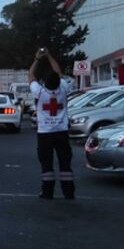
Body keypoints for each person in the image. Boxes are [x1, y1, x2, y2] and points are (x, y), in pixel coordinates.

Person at [28, 48, 75, 199]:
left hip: (45, 133)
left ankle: (47, 192)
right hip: (61, 132)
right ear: (57, 82)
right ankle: (68, 192)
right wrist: (49, 56)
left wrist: (37, 59)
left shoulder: (40, 93)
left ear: (45, 83)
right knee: (65, 163)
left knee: (46, 164)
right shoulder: (63, 89)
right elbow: (58, 72)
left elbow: (31, 76)